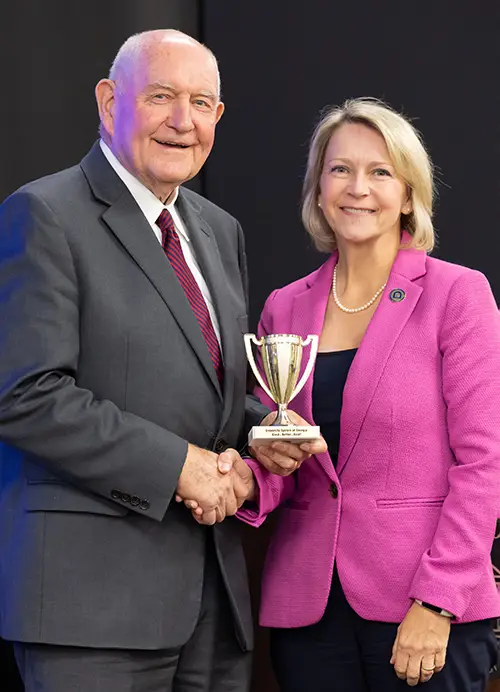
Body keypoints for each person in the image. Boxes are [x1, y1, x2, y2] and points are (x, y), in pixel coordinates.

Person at [0, 29, 320, 692]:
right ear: (108, 101)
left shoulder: (219, 230)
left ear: (218, 117)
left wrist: (261, 429)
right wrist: (179, 467)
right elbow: (24, 395)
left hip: (214, 599)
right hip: (92, 608)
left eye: (201, 103)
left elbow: (210, 389)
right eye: (161, 97)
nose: (182, 121)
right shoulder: (42, 214)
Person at [189, 98, 500, 690]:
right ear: (319, 187)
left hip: (422, 607)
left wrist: (437, 601)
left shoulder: (457, 296)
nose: (358, 188)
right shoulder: (286, 306)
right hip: (308, 609)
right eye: (340, 169)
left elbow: (486, 464)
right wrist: (246, 477)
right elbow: (283, 449)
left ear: (408, 195)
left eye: (380, 171)